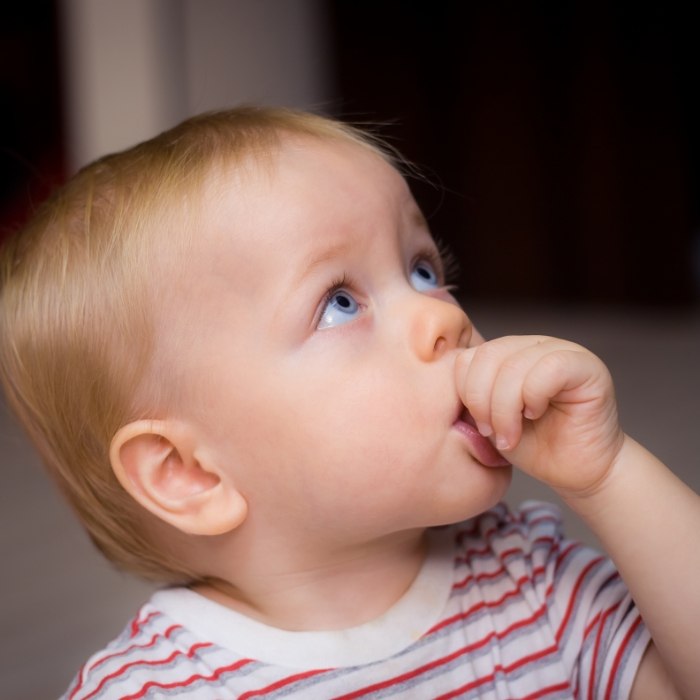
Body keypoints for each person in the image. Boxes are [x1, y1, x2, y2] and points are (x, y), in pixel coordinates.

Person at [0, 107, 697, 700]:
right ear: (190, 473)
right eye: (338, 303)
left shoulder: (530, 577)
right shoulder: (154, 690)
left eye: (423, 269)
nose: (441, 317)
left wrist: (608, 475)